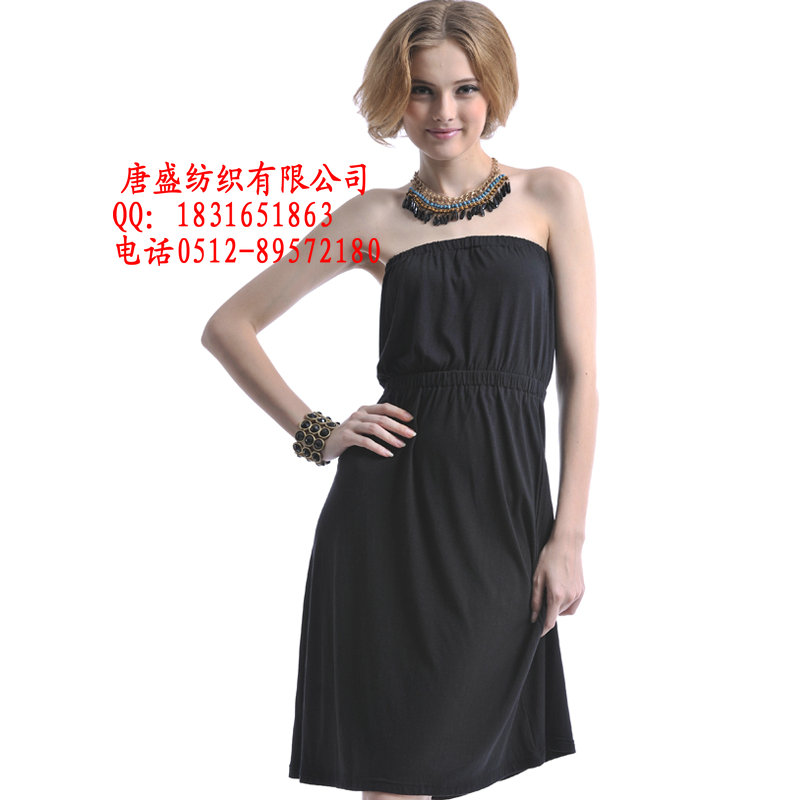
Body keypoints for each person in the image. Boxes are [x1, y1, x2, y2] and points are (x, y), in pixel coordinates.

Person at [201, 1, 597, 798]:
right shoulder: (372, 218)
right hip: (388, 521)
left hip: (503, 520)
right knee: (394, 770)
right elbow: (229, 327)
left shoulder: (550, 195)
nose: (443, 111)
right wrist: (317, 431)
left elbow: (581, 376)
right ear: (395, 95)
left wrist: (568, 536)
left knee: (458, 748)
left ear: (493, 90)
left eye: (464, 88)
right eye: (421, 90)